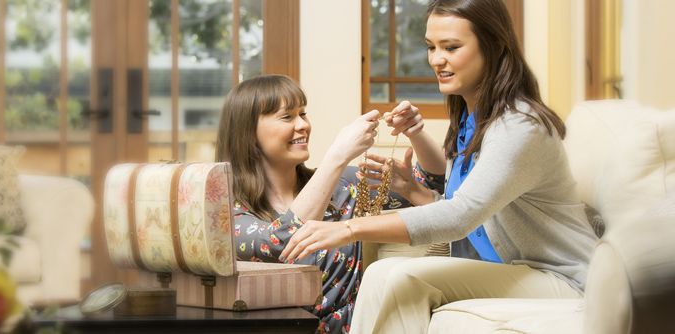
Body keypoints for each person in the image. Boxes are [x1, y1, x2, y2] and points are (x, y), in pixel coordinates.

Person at [278, 0, 599, 332]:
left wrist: (347, 228)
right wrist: (414, 191)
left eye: (451, 47)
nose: (436, 59)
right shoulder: (469, 121)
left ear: (494, 45)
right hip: (513, 271)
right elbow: (474, 216)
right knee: (382, 273)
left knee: (406, 277)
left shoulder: (519, 126)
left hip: (561, 278)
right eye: (431, 47)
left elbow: (461, 217)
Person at [215, 74, 429, 333]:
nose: (303, 125)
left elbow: (433, 188)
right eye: (287, 117)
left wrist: (416, 133)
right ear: (248, 134)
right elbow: (282, 242)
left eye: (303, 114)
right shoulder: (227, 211)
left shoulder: (345, 186)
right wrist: (337, 154)